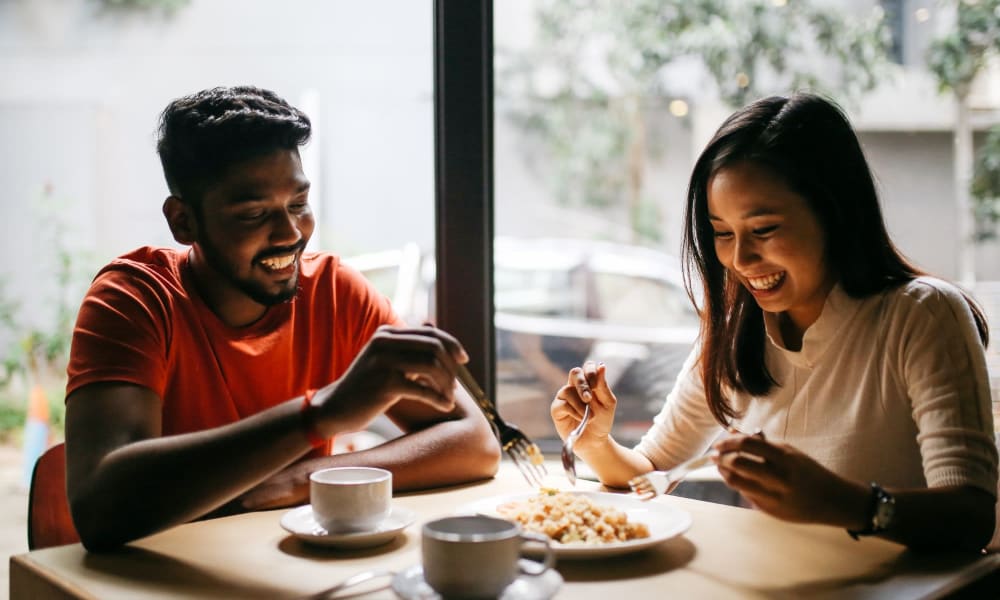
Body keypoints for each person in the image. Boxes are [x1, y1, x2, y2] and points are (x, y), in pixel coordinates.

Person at [551, 92, 998, 551]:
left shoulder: (922, 315)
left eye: (763, 230)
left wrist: (847, 503)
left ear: (834, 212)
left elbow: (971, 515)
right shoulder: (735, 330)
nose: (740, 258)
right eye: (722, 233)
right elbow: (650, 470)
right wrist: (595, 442)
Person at [64, 86, 501, 552]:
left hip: (286, 564)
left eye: (298, 205)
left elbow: (475, 442)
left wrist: (299, 479)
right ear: (183, 222)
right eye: (254, 214)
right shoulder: (134, 299)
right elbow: (99, 508)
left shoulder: (335, 293)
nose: (291, 234)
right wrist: (321, 414)